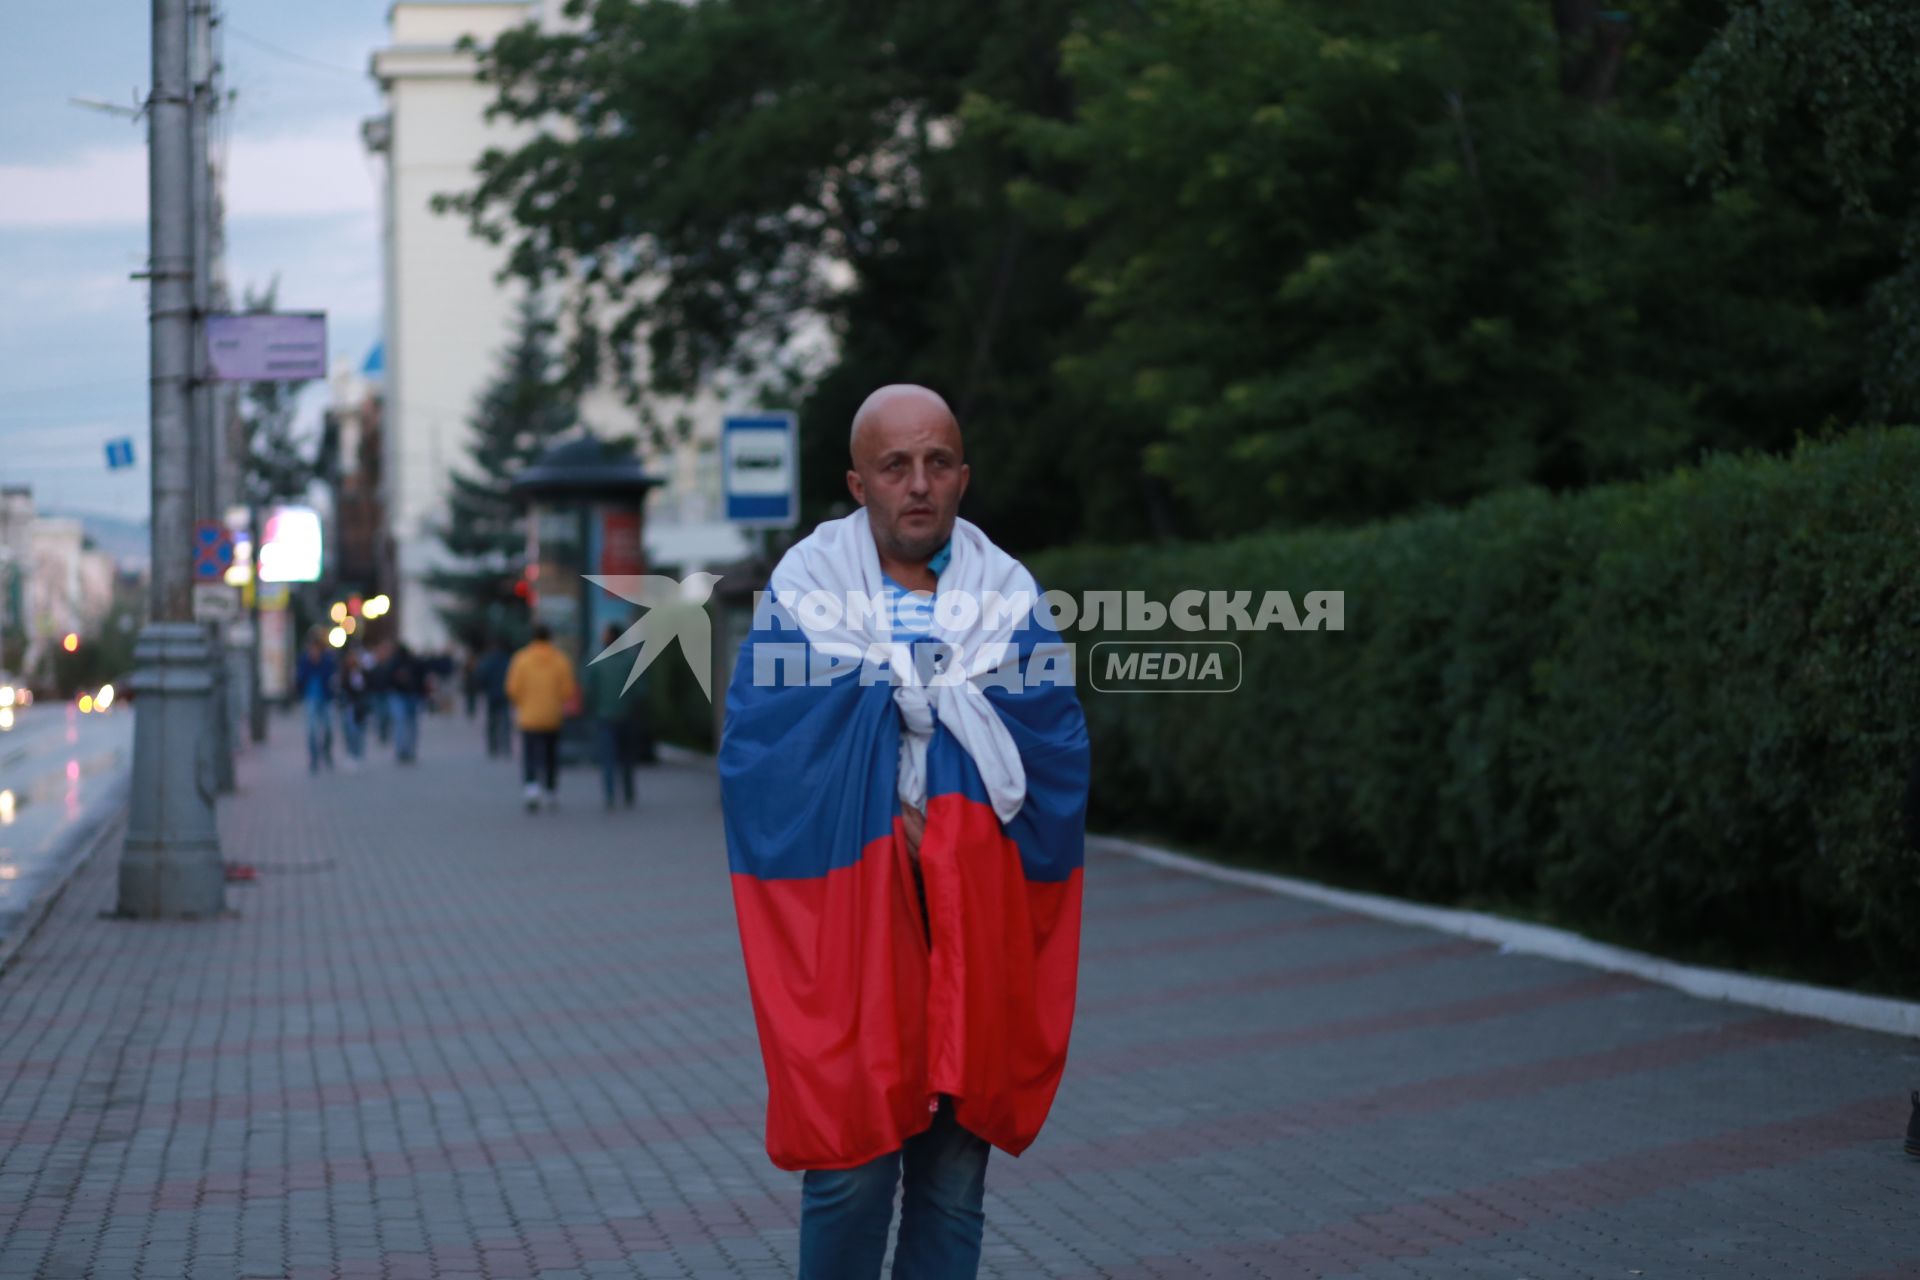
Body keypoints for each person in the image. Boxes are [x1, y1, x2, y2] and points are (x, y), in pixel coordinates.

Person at [718, 385, 1090, 1280]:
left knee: (955, 1178)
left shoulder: (1008, 595)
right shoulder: (806, 594)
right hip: (853, 915)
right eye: (895, 466)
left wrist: (960, 832)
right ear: (858, 483)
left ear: (963, 477)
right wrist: (886, 821)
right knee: (850, 1164)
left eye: (936, 463)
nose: (917, 484)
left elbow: (1056, 747)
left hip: (975, 911)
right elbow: (762, 755)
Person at [505, 623, 577, 811]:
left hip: (529, 716)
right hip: (553, 716)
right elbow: (568, 690)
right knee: (551, 754)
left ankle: (531, 788)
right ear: (550, 637)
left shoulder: (521, 659)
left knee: (530, 753)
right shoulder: (560, 659)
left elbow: (512, 688)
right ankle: (551, 790)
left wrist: (523, 702)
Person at [582, 621, 638, 809]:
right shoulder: (630, 660)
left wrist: (590, 709)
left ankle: (609, 794)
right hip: (627, 715)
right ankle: (629, 792)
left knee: (608, 757)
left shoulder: (598, 661)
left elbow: (589, 689)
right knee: (627, 757)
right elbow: (640, 691)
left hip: (604, 715)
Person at [294, 629, 337, 775]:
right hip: (310, 698)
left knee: (328, 728)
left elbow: (332, 677)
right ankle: (313, 758)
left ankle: (326, 751)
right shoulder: (304, 660)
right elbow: (300, 677)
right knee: (312, 730)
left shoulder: (327, 660)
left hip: (326, 698)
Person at [386, 639, 425, 763]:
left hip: (402, 695)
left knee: (401, 723)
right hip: (409, 695)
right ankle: (409, 750)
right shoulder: (414, 661)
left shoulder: (394, 662)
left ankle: (403, 750)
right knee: (409, 724)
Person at [475, 636, 513, 758]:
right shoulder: (507, 660)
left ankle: (493, 747)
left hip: (492, 695)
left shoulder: (487, 661)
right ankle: (506, 746)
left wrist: (483, 689)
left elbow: (481, 677)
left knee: (492, 722)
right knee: (505, 721)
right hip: (505, 694)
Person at [337, 643, 372, 769]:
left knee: (360, 731)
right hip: (349, 704)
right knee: (350, 730)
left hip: (360, 705)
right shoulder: (344, 672)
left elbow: (367, 686)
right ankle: (351, 753)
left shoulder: (362, 671)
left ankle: (359, 754)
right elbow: (342, 688)